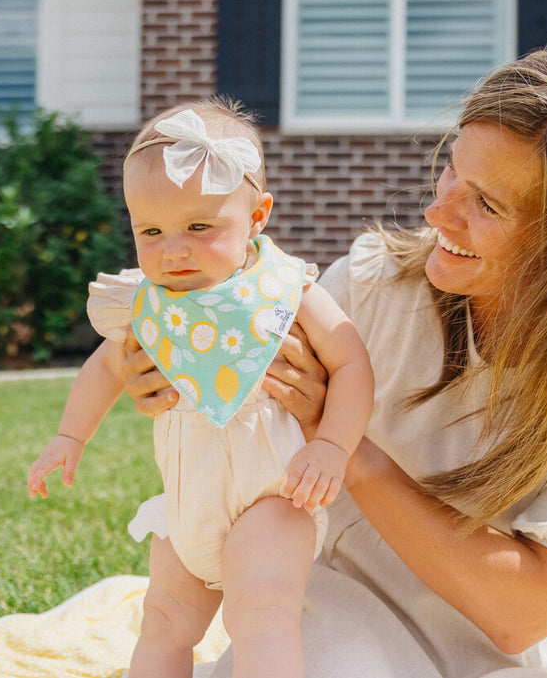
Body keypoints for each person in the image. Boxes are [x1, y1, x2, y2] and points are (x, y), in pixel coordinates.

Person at [122, 45, 547, 678]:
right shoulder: (368, 283)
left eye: (487, 205)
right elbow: (239, 432)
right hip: (337, 613)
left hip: (512, 653)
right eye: (451, 173)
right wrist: (170, 373)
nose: (437, 214)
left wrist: (344, 445)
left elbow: (523, 613)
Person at [27, 98, 375, 678]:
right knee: (163, 620)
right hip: (187, 507)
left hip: (273, 497)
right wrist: (70, 436)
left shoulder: (286, 289)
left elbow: (352, 363)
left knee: (260, 611)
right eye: (151, 230)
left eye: (198, 226)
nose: (174, 248)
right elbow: (106, 367)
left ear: (257, 217)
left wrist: (332, 445)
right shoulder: (148, 302)